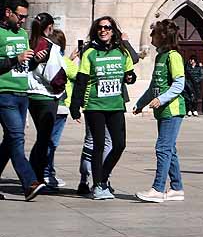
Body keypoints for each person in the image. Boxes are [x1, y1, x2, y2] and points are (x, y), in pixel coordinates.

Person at [70, 16, 136, 200]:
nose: (103, 30)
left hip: (116, 105)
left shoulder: (122, 52)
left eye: (107, 27)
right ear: (96, 31)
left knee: (120, 145)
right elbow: (81, 80)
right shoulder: (90, 52)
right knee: (98, 145)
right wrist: (75, 106)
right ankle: (98, 186)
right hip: (95, 105)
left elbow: (130, 75)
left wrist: (130, 78)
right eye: (100, 28)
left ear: (113, 30)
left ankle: (103, 178)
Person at [133, 19, 187, 203]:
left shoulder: (174, 56)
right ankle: (177, 188)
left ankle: (158, 189)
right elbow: (154, 86)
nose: (151, 38)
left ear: (163, 36)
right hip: (162, 110)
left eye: (154, 33)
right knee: (169, 148)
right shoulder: (160, 57)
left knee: (162, 148)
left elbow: (179, 85)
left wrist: (161, 99)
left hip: (172, 110)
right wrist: (141, 103)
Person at [0, 0, 44, 201]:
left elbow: (25, 67)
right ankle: (30, 182)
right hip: (4, 93)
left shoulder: (23, 35)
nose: (23, 20)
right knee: (17, 137)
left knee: (9, 141)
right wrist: (14, 59)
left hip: (22, 93)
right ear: (8, 12)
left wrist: (34, 61)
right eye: (20, 16)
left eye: (25, 17)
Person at [27, 13, 65, 189]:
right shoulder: (50, 46)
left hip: (31, 95)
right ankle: (37, 177)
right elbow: (56, 75)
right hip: (47, 96)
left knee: (41, 137)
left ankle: (33, 174)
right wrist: (61, 88)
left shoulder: (28, 43)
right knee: (44, 139)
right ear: (49, 27)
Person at [44, 29, 74, 188]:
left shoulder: (46, 59)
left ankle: (45, 172)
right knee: (52, 142)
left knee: (44, 140)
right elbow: (77, 73)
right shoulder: (64, 61)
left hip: (44, 104)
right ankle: (47, 173)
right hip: (60, 107)